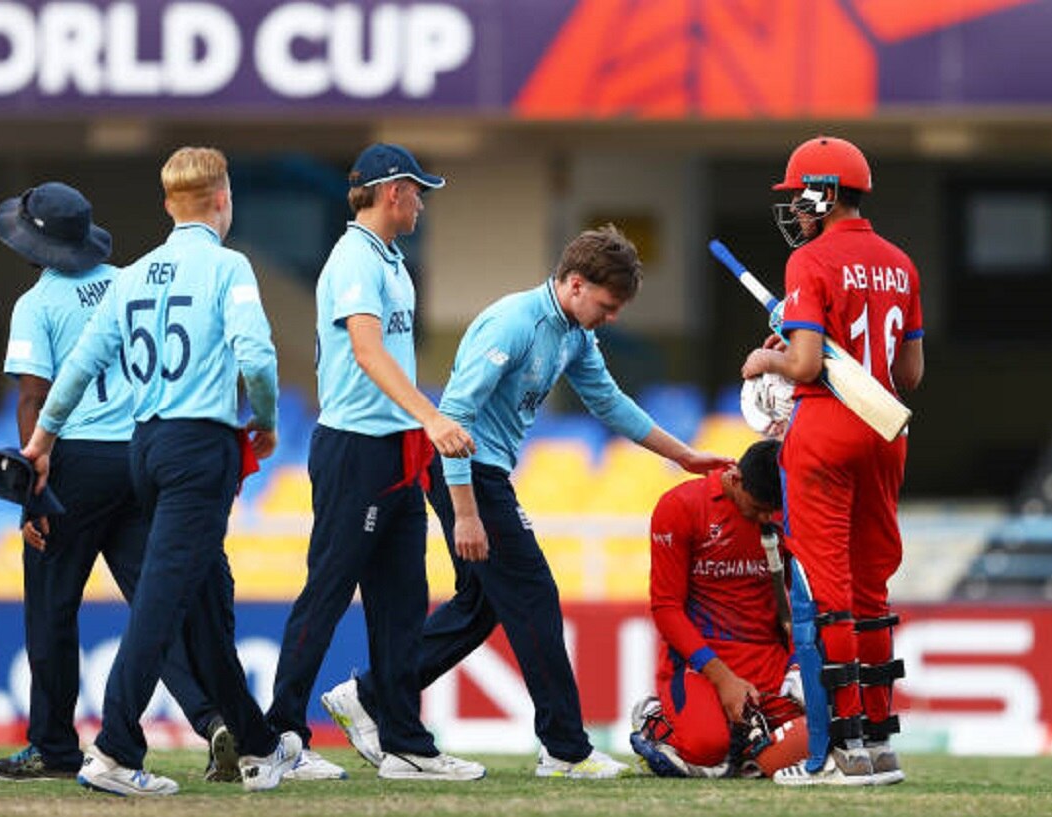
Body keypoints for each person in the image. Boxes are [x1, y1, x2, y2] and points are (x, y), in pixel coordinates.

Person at [322, 225, 733, 778]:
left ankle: (370, 695)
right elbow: (457, 417)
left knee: (479, 607)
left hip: (487, 473)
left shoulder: (574, 335)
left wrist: (683, 455)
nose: (610, 319)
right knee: (535, 596)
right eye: (607, 306)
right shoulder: (514, 323)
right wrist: (466, 512)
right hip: (466, 472)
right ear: (575, 284)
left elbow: (610, 404)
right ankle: (565, 748)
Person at [22, 147, 299, 796]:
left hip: (143, 446)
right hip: (198, 446)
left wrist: (40, 442)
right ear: (224, 201)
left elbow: (79, 369)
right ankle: (115, 749)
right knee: (160, 603)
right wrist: (266, 417)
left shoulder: (133, 275)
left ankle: (256, 744)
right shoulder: (229, 267)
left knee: (198, 606)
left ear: (168, 205)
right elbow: (256, 353)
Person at [0, 181, 235, 783]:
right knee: (156, 607)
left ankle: (53, 747)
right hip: (143, 458)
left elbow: (34, 396)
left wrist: (32, 490)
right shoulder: (129, 280)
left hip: (75, 465)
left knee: (51, 611)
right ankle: (211, 719)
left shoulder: (36, 304)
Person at [265, 143, 485, 783]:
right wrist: (432, 415)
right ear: (393, 191)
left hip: (392, 450)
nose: (422, 203)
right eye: (419, 191)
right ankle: (280, 735)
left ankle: (404, 743)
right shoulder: (355, 259)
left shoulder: (389, 260)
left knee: (401, 600)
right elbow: (366, 350)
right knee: (328, 594)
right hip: (356, 448)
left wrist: (417, 427)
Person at [740, 136, 924, 785]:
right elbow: (910, 369)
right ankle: (880, 739)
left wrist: (767, 357)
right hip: (884, 429)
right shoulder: (901, 263)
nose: (796, 208)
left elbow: (808, 365)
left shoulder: (810, 261)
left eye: (799, 196)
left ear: (822, 192)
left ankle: (847, 747)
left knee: (831, 593)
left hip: (824, 427)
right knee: (873, 588)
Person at [629, 438, 808, 779]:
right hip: (700, 665)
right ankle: (657, 719)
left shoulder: (784, 511)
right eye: (757, 508)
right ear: (736, 478)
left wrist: (798, 665)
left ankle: (743, 742)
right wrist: (724, 680)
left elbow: (799, 599)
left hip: (767, 661)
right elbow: (666, 608)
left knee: (819, 738)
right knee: (707, 751)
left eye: (771, 509)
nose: (764, 518)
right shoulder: (681, 506)